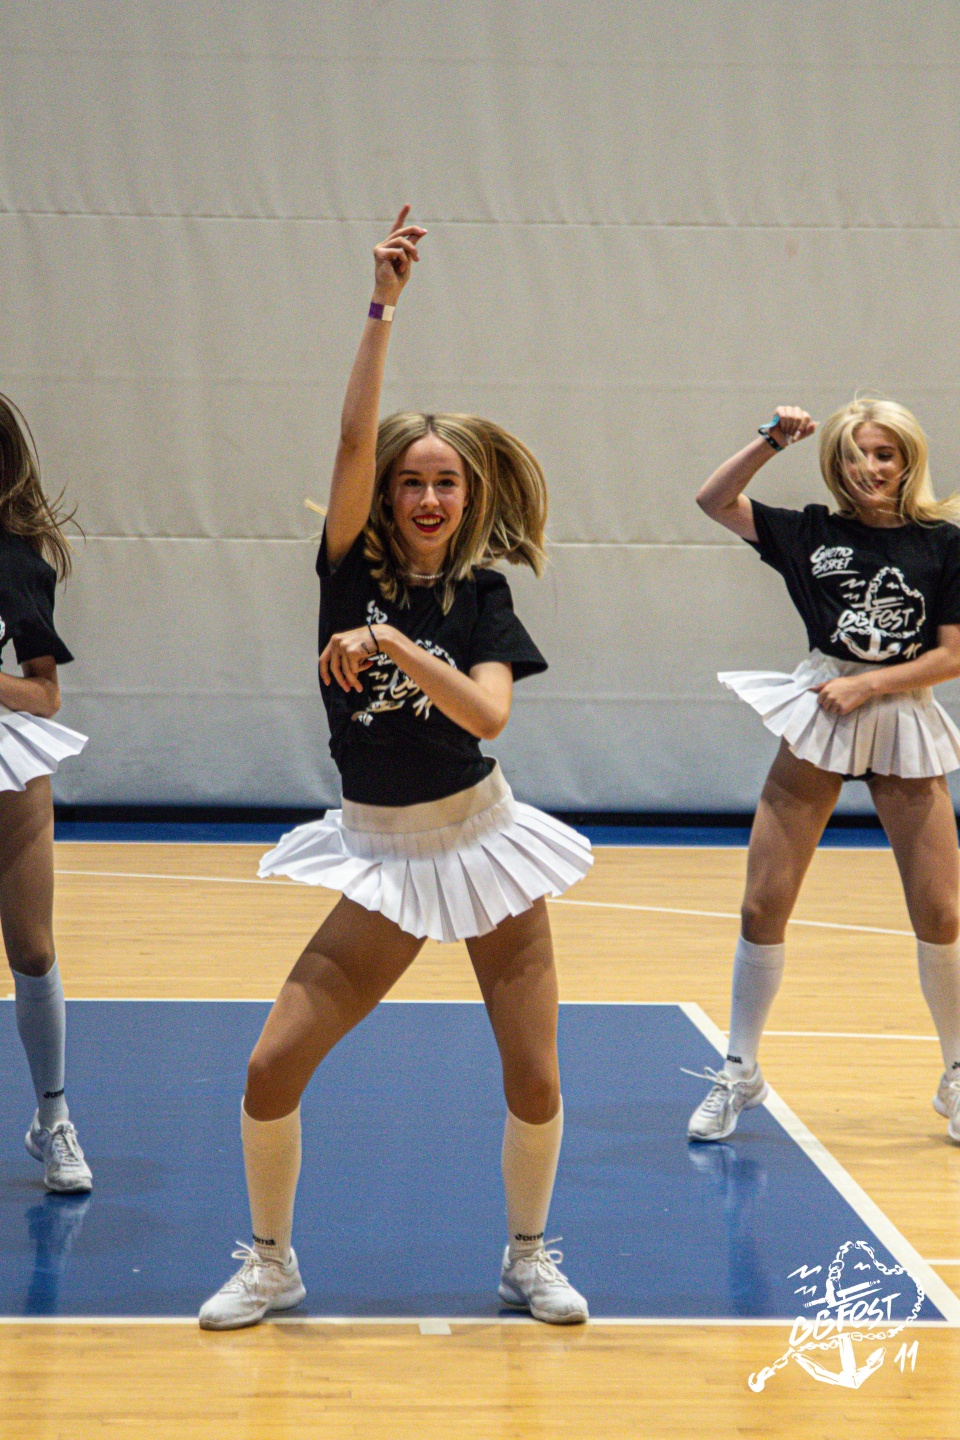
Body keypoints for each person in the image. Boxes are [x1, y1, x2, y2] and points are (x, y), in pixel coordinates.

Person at [199, 207, 593, 1330]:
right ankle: (271, 1263)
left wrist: (393, 644)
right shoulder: (346, 570)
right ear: (387, 493)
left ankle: (528, 1257)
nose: (427, 497)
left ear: (469, 499)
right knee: (270, 1069)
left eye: (446, 484)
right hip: (382, 851)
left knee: (534, 1078)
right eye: (412, 480)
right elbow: (348, 442)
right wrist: (381, 306)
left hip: (482, 839)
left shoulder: (483, 597)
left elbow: (487, 712)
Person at [687, 398, 960, 1144]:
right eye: (854, 454)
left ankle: (956, 1074)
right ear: (835, 464)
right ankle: (740, 1070)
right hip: (821, 705)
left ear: (907, 460)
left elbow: (953, 654)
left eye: (884, 454)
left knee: (940, 913)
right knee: (762, 905)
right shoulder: (809, 532)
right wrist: (770, 440)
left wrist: (871, 686)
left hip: (901, 710)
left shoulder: (943, 544)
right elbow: (714, 501)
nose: (869, 467)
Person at [0, 394, 91, 1191]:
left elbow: (45, 695)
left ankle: (53, 1119)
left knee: (31, 948)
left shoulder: (16, 561)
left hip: (6, 756)